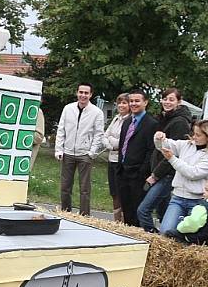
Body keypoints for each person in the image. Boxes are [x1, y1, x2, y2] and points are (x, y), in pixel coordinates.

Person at [154, 120, 208, 237]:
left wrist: (172, 159)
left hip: (197, 201)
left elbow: (192, 173)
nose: (194, 137)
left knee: (190, 236)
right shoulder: (187, 144)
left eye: (198, 135)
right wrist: (159, 137)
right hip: (177, 198)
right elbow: (163, 145)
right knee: (165, 232)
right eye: (194, 133)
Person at [137, 88, 192, 232]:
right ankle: (168, 237)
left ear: (179, 102)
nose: (167, 102)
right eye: (165, 99)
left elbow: (173, 153)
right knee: (163, 212)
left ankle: (153, 237)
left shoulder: (179, 122)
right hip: (159, 171)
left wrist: (155, 175)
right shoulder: (164, 118)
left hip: (167, 173)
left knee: (143, 210)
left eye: (171, 99)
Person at [55, 83, 105, 216]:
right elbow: (61, 129)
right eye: (81, 92)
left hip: (85, 154)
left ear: (91, 95)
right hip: (68, 152)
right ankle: (66, 212)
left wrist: (92, 153)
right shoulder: (68, 108)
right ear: (77, 93)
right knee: (65, 186)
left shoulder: (96, 112)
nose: (83, 95)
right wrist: (59, 149)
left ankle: (84, 215)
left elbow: (98, 134)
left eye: (86, 93)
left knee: (84, 188)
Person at [117, 89, 159, 226]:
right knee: (126, 209)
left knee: (137, 211)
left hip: (138, 174)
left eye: (137, 101)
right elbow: (123, 144)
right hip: (123, 171)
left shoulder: (151, 124)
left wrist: (142, 172)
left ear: (145, 102)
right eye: (131, 101)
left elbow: (151, 151)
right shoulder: (127, 122)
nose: (133, 104)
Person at [101, 93, 130, 222]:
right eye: (119, 103)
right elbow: (104, 136)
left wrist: (112, 141)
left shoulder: (130, 121)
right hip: (111, 158)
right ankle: (116, 220)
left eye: (124, 103)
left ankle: (123, 220)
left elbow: (123, 143)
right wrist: (112, 145)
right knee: (113, 192)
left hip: (121, 161)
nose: (121, 105)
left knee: (121, 192)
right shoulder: (116, 118)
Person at [176, 177, 208, 244]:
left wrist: (180, 227)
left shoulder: (202, 207)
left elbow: (192, 224)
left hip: (198, 239)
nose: (203, 192)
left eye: (207, 190)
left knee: (170, 233)